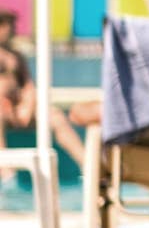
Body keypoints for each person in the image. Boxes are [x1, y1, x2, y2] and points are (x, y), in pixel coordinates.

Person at [0, 9, 89, 172]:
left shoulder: (16, 56)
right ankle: (6, 174)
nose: (13, 30)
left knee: (55, 116)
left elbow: (28, 85)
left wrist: (26, 107)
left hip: (19, 108)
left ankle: (89, 167)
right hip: (2, 110)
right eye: (8, 25)